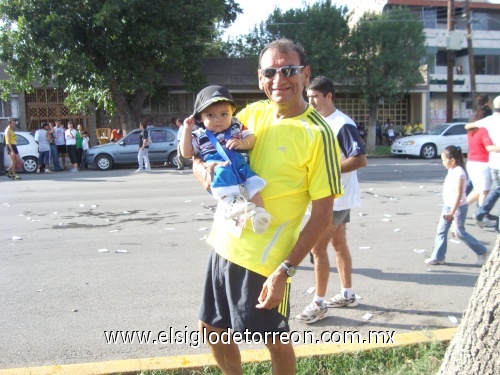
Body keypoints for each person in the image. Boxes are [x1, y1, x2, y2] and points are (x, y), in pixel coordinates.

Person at [192, 39, 342, 374]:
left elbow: (323, 215)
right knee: (212, 330)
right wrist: (203, 172)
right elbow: (204, 153)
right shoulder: (250, 113)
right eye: (270, 72)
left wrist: (285, 270)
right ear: (260, 78)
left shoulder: (319, 134)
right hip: (224, 243)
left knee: (273, 339)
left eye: (288, 70)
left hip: (266, 261)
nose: (279, 79)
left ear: (305, 74)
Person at [296, 76, 367, 324]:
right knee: (338, 245)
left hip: (338, 200)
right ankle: (348, 294)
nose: (311, 101)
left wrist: (328, 170)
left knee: (317, 249)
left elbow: (360, 159)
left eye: (315, 96)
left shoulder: (342, 124)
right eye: (309, 96)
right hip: (329, 198)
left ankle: (319, 303)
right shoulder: (318, 122)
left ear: (329, 95)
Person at [181, 85, 271, 233]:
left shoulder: (236, 126)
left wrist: (243, 143)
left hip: (240, 165)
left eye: (224, 114)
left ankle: (259, 215)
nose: (218, 119)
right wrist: (187, 130)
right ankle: (232, 206)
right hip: (218, 166)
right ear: (200, 118)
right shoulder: (200, 135)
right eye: (210, 115)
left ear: (232, 112)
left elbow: (252, 138)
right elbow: (186, 152)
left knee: (253, 187)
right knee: (225, 181)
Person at [425, 145, 490, 266]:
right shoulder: (452, 170)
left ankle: (483, 251)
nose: (443, 162)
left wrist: (451, 213)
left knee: (459, 232)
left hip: (458, 207)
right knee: (441, 231)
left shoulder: (459, 173)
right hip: (448, 206)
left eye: (444, 160)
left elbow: (459, 195)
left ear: (453, 160)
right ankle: (438, 257)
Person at [465, 95, 500, 229]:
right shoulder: (485, 125)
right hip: (485, 162)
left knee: (487, 190)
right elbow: (488, 147)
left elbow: (468, 125)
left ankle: (481, 213)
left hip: (491, 163)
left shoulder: (487, 121)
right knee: (488, 190)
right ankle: (480, 214)